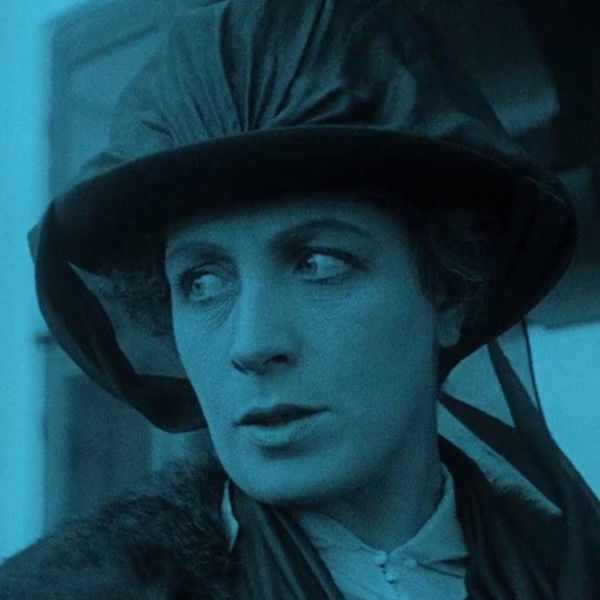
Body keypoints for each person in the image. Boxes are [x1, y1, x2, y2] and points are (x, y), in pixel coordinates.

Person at [1, 0, 599, 598]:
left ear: (448, 294)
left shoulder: (568, 576)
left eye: (318, 264)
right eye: (202, 282)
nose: (252, 345)